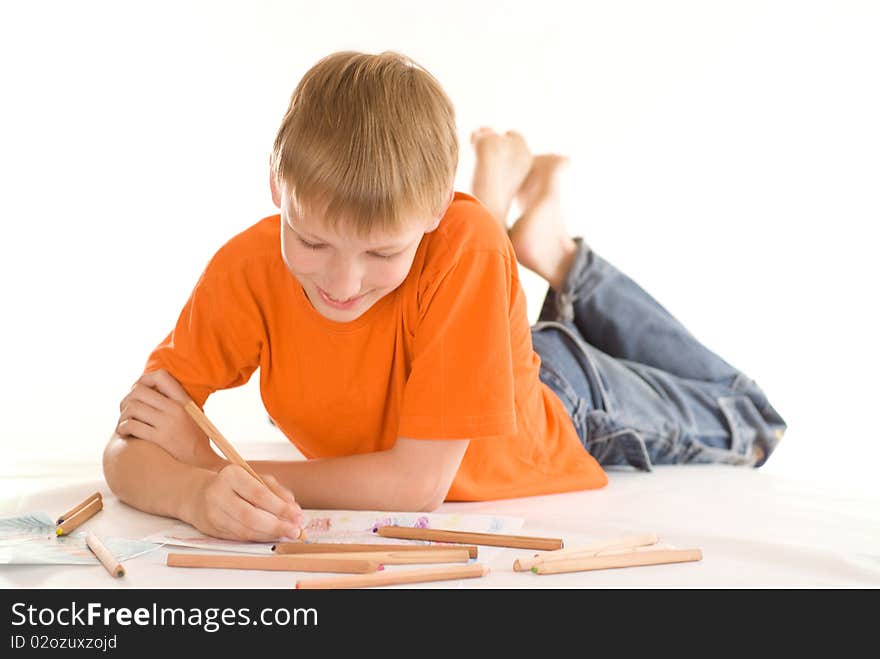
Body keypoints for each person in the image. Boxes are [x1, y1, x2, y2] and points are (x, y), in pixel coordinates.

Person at [103, 51, 786, 542]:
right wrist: (193, 494)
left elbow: (415, 486)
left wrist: (218, 463)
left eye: (381, 252)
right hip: (465, 337)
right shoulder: (245, 267)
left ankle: (554, 252)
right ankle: (517, 219)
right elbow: (128, 445)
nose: (339, 285)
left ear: (433, 212)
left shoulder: (461, 245)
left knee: (753, 421)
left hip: (558, 404)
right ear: (278, 190)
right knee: (469, 256)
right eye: (311, 242)